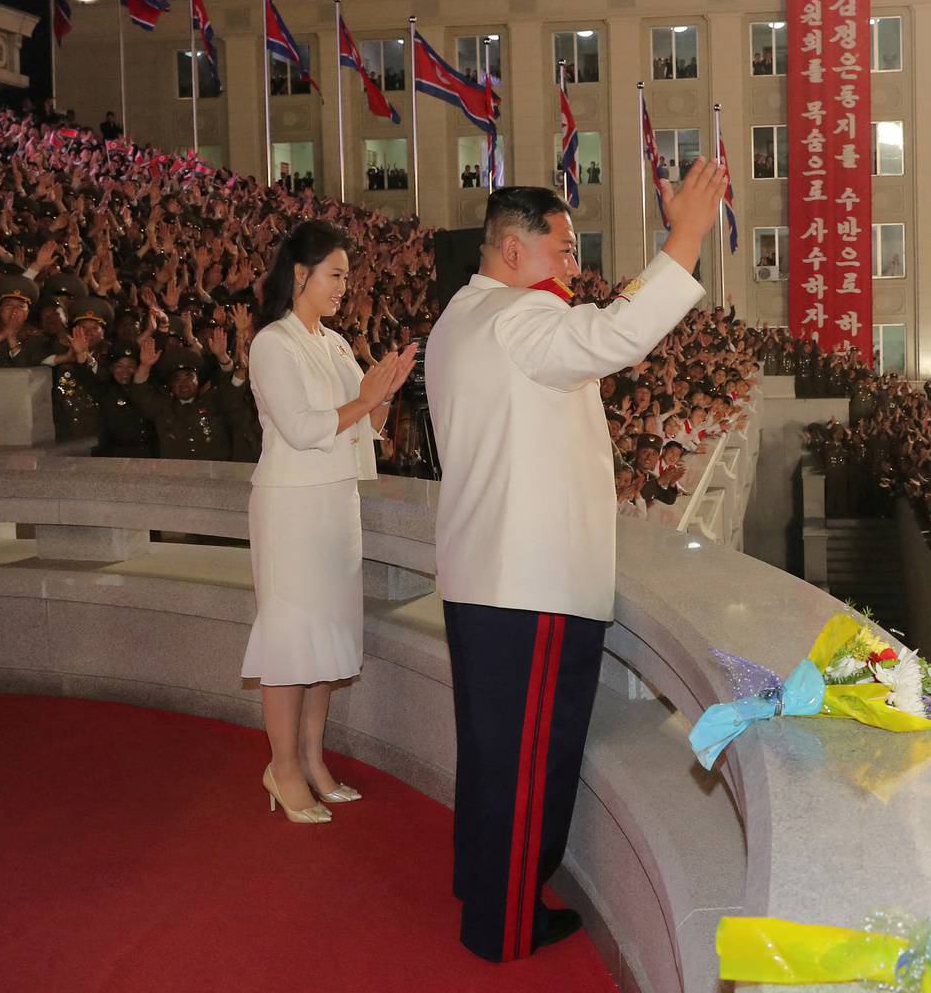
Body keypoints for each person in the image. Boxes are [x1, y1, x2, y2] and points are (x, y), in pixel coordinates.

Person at [425, 159, 725, 963]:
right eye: (562, 250)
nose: (574, 266)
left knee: (492, 752)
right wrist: (685, 238)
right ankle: (507, 923)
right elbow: (610, 336)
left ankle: (484, 888)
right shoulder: (518, 320)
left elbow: (587, 328)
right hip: (533, 582)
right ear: (513, 251)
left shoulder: (464, 315)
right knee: (529, 763)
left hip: (487, 574)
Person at [240, 220, 417, 825]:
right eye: (336, 275)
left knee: (326, 642)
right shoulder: (273, 343)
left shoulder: (336, 342)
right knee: (292, 640)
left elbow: (361, 426)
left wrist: (386, 390)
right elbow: (302, 426)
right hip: (291, 505)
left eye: (346, 276)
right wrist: (367, 398)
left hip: (336, 504)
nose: (345, 286)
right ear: (301, 275)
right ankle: (281, 768)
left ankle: (313, 760)